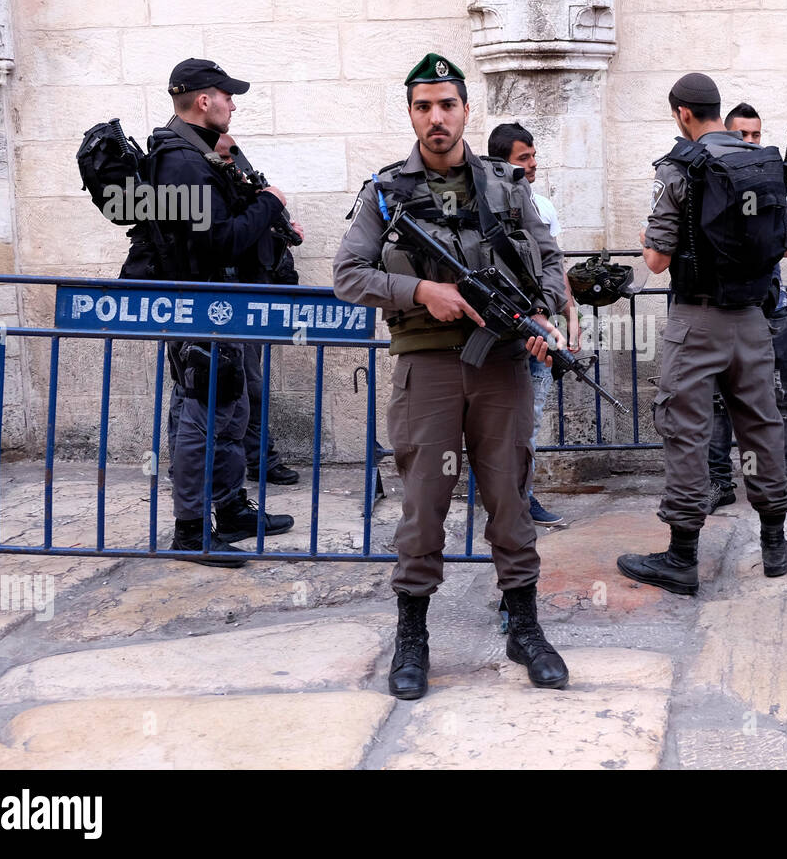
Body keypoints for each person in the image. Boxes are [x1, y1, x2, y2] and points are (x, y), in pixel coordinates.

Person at [333, 52, 571, 699]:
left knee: (509, 497)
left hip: (501, 364)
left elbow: (551, 263)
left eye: (447, 105)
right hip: (428, 369)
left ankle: (523, 627)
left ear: (466, 110)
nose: (436, 118)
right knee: (424, 508)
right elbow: (348, 275)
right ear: (410, 113)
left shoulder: (506, 185)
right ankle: (413, 638)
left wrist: (541, 318)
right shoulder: (384, 192)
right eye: (423, 107)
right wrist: (419, 292)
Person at [617, 73, 787, 596]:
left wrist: (648, 239)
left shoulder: (677, 168)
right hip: (753, 318)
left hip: (696, 319)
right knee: (762, 425)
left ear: (681, 114)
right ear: (717, 109)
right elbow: (785, 242)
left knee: (686, 431)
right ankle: (774, 543)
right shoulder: (760, 161)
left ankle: (681, 556)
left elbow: (657, 258)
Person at [153, 59, 297, 567]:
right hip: (203, 310)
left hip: (225, 309)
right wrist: (270, 204)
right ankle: (190, 532)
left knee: (232, 410)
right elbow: (219, 243)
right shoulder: (182, 163)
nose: (233, 103)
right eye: (227, 95)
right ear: (202, 100)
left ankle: (231, 508)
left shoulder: (201, 156)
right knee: (200, 418)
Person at [706, 103, 787, 518]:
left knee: (783, 398)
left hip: (769, 304)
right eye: (743, 135)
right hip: (721, 307)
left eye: (756, 134)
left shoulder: (774, 176)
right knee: (716, 400)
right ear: (727, 136)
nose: (751, 142)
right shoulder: (712, 176)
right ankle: (719, 482)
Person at [487, 122, 580, 528]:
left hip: (540, 329)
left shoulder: (542, 206)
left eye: (533, 156)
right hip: (496, 331)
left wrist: (571, 318)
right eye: (523, 158)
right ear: (500, 163)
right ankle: (498, 495)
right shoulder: (481, 205)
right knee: (493, 418)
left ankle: (520, 497)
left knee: (531, 416)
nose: (532, 165)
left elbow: (555, 264)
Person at [214, 132, 301, 488]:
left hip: (250, 296)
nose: (234, 160)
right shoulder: (215, 191)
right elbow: (231, 238)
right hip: (227, 299)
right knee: (244, 386)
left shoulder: (242, 186)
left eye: (235, 154)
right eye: (226, 154)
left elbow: (254, 234)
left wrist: (282, 229)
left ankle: (256, 460)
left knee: (247, 385)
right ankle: (255, 461)